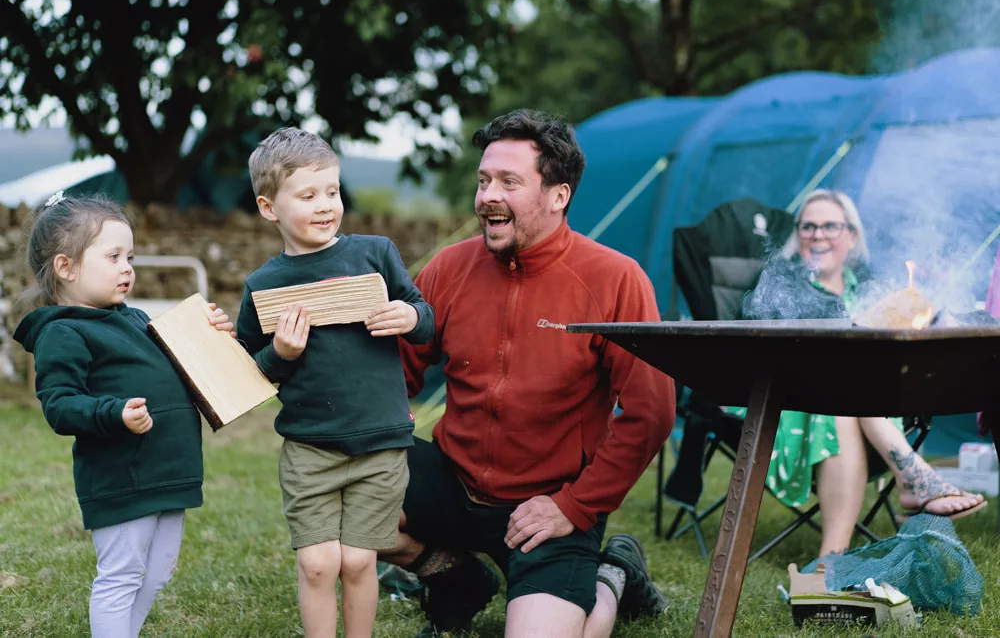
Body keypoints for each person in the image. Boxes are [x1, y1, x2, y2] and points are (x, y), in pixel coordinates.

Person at [380, 109, 675, 637]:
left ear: (558, 195)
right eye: (484, 180)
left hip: (551, 504)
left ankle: (611, 576)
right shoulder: (448, 267)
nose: (488, 195)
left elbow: (651, 412)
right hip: (454, 481)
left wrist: (575, 505)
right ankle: (454, 576)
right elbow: (396, 364)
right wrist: (385, 419)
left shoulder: (615, 279)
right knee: (340, 495)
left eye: (508, 182)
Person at [237, 127, 434, 638]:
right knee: (320, 563)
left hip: (380, 443)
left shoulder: (375, 254)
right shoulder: (263, 285)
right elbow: (247, 369)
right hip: (310, 449)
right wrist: (279, 354)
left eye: (333, 191)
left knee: (357, 561)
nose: (326, 205)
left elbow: (425, 316)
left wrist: (408, 319)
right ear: (268, 207)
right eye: (308, 196)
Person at [12, 193, 234, 638]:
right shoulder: (64, 331)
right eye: (113, 256)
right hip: (122, 477)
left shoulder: (132, 320)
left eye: (129, 256)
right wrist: (113, 413)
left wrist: (211, 336)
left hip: (167, 471)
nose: (127, 267)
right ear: (65, 267)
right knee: (121, 576)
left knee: (159, 571)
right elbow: (59, 405)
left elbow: (176, 366)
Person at [741, 189, 987, 556]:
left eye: (829, 226)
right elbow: (761, 358)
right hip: (786, 404)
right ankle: (914, 479)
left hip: (871, 406)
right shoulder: (780, 287)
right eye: (808, 226)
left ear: (851, 236)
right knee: (843, 398)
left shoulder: (868, 291)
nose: (817, 235)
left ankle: (832, 559)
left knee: (847, 396)